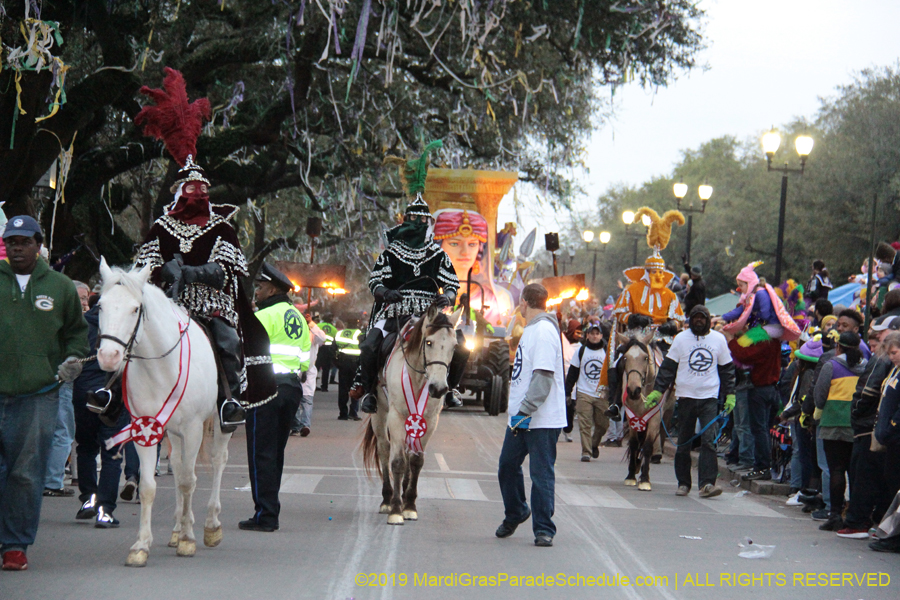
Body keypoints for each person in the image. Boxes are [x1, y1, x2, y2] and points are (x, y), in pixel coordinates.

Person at [133, 67, 275, 432]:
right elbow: (145, 268)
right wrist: (167, 272)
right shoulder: (160, 228)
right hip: (168, 302)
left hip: (210, 301)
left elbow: (229, 270)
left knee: (226, 338)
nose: (200, 194)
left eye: (204, 189)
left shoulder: (221, 227)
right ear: (180, 192)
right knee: (129, 336)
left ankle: (229, 398)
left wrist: (194, 271)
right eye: (192, 189)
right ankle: (113, 394)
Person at [0, 215, 89, 571]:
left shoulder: (61, 286)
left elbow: (76, 335)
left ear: (39, 245)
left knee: (25, 474)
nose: (17, 248)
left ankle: (15, 546)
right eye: (11, 242)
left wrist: (73, 360)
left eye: (24, 242)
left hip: (39, 394)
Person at [354, 141, 460, 414]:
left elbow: (452, 284)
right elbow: (374, 281)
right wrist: (384, 293)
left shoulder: (438, 254)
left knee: (461, 345)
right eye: (413, 219)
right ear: (405, 220)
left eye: (422, 221)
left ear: (428, 224)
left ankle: (452, 389)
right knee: (369, 346)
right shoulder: (391, 253)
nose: (418, 225)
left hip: (430, 316)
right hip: (394, 313)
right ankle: (369, 393)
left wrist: (447, 296)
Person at [241, 264, 311, 532]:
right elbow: (304, 360)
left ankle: (266, 515)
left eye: (260, 287)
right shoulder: (298, 317)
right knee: (275, 454)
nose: (256, 292)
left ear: (272, 289)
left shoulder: (263, 316)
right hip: (292, 389)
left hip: (265, 390)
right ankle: (270, 509)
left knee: (261, 453)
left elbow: (247, 355)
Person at [496, 284, 566, 547]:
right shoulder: (531, 330)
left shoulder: (545, 331)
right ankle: (517, 512)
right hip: (522, 415)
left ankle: (544, 529)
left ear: (524, 302)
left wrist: (524, 411)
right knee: (507, 466)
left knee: (541, 473)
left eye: (520, 303)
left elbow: (543, 377)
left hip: (540, 419)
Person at [645, 305, 735, 497]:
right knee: (684, 442)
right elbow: (668, 368)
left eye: (703, 318)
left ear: (708, 320)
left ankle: (707, 484)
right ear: (691, 320)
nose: (699, 321)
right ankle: (683, 483)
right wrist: (657, 392)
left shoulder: (718, 339)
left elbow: (727, 369)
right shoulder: (681, 339)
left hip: (709, 398)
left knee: (709, 441)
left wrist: (730, 394)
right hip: (685, 397)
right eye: (696, 318)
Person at [72, 293, 131, 528]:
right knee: (112, 453)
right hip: (114, 393)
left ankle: (88, 498)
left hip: (84, 393)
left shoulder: (82, 323)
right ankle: (105, 510)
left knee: (86, 447)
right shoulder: (124, 327)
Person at [813, 331, 868, 532]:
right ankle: (853, 515)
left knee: (836, 469)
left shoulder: (831, 365)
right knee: (854, 471)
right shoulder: (866, 367)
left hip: (833, 422)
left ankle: (834, 514)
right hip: (857, 423)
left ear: (838, 346)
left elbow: (819, 396)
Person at [433, 207, 513, 326]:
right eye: (454, 243)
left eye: (472, 244)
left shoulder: (498, 300)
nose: (465, 251)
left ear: (480, 249)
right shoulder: (421, 296)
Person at [870, 331, 900, 552]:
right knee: (890, 485)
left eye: (894, 352)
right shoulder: (895, 370)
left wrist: (891, 427)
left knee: (895, 487)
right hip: (889, 439)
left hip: (896, 437)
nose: (891, 357)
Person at [564, 322, 608, 461]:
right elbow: (572, 373)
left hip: (602, 394)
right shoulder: (581, 351)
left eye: (597, 334)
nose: (595, 336)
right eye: (592, 334)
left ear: (601, 335)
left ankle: (594, 443)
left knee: (603, 424)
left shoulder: (606, 352)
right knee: (585, 424)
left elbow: (612, 373)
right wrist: (568, 392)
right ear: (587, 335)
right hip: (584, 393)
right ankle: (586, 452)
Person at [292, 312, 327, 436]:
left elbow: (323, 338)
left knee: (306, 400)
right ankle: (295, 426)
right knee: (294, 400)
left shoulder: (313, 332)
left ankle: (305, 425)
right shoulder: (294, 330)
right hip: (294, 370)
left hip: (309, 370)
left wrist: (311, 324)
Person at [335, 325, 363, 420]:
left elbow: (333, 348)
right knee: (355, 386)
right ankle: (353, 412)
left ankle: (343, 413)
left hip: (343, 363)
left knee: (343, 389)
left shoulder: (340, 333)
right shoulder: (359, 333)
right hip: (355, 363)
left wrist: (337, 363)